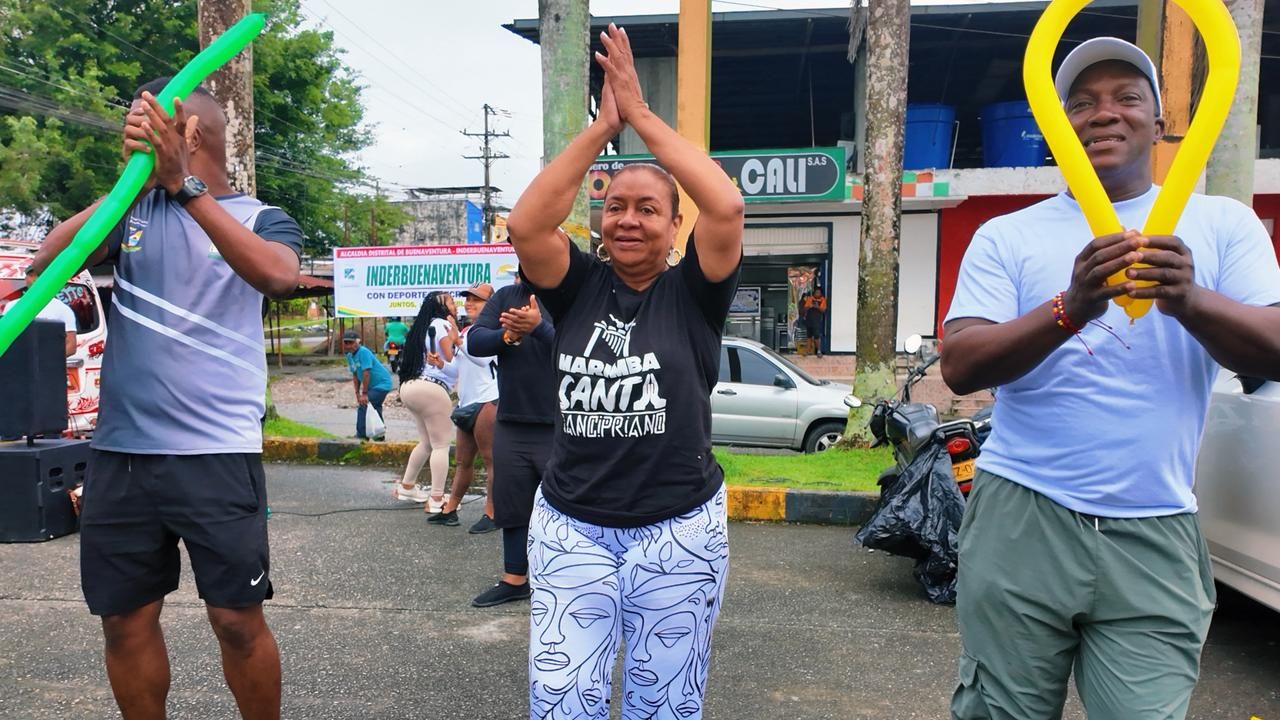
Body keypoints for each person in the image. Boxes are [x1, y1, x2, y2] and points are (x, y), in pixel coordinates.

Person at [941, 38, 1280, 720]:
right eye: (1084, 103)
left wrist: (1188, 298)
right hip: (1022, 516)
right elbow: (962, 363)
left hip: (1155, 525)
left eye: (1128, 97)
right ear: (1060, 129)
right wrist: (1072, 307)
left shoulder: (1220, 224)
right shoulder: (1008, 235)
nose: (1105, 114)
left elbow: (1272, 349)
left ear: (1159, 124)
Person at [27, 78, 302, 720]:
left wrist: (185, 186)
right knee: (123, 622)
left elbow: (279, 275)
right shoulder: (128, 217)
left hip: (215, 454)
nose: (131, 132)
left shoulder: (261, 217)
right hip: (121, 456)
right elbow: (48, 264)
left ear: (191, 133)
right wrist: (134, 184)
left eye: (141, 123)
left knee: (235, 620)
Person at [504, 24, 744, 718]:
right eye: (615, 207)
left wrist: (640, 117)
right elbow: (526, 225)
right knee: (559, 698)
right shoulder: (577, 286)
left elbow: (725, 205)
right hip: (573, 526)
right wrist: (600, 131)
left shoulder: (694, 291)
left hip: (679, 529)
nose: (629, 220)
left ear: (674, 228)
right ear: (599, 222)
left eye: (649, 209)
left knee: (662, 705)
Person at [464, 276, 556, 607]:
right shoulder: (505, 296)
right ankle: (515, 578)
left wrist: (539, 327)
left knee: (571, 507)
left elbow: (586, 345)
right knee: (513, 505)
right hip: (513, 421)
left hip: (561, 425)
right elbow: (475, 341)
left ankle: (570, 580)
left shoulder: (573, 292)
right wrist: (509, 334)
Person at [428, 282, 499, 532]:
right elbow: (459, 368)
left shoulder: (495, 330)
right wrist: (440, 365)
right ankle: (450, 510)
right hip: (468, 402)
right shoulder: (469, 332)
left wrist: (458, 340)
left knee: (492, 461)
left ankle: (491, 513)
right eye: (467, 298)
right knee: (462, 461)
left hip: (489, 400)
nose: (469, 303)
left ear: (491, 305)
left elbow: (483, 360)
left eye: (476, 300)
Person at [394, 291, 459, 511]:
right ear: (441, 307)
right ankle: (437, 499)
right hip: (432, 389)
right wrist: (457, 344)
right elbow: (450, 362)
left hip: (410, 387)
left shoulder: (421, 328)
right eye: (451, 301)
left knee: (427, 443)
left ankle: (407, 485)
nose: (455, 305)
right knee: (441, 445)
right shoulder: (442, 324)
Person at [342, 329, 392, 441]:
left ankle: (361, 436)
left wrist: (364, 394)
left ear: (357, 342)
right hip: (372, 386)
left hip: (382, 384)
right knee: (375, 407)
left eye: (351, 342)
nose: (348, 345)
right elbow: (355, 374)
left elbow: (366, 373)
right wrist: (357, 392)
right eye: (346, 342)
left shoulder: (363, 352)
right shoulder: (349, 356)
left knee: (364, 405)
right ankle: (379, 435)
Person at [3, 285, 77, 356]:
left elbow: (71, 345)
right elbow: (4, 337)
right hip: (16, 364)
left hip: (48, 366)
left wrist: (48, 360)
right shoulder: (12, 306)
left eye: (38, 275)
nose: (35, 279)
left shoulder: (61, 308)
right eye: (31, 275)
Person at [804, 286, 827, 356]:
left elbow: (823, 310)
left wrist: (817, 307)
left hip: (817, 320)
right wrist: (809, 306)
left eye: (819, 293)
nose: (817, 294)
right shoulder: (810, 298)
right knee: (809, 336)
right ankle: (807, 351)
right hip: (809, 320)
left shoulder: (823, 300)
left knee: (817, 336)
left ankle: (819, 351)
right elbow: (805, 308)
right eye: (816, 292)